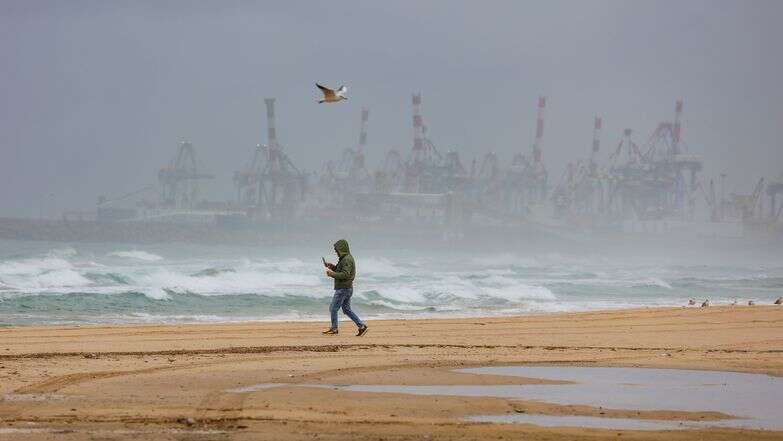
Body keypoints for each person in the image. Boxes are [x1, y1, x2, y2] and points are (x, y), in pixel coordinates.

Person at [322, 239, 368, 336]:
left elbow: (345, 274)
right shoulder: (345, 258)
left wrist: (331, 274)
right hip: (347, 288)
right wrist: (332, 267)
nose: (336, 252)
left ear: (342, 248)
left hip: (343, 288)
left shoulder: (346, 259)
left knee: (333, 308)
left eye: (337, 250)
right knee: (346, 309)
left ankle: (334, 329)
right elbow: (341, 270)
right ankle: (361, 326)